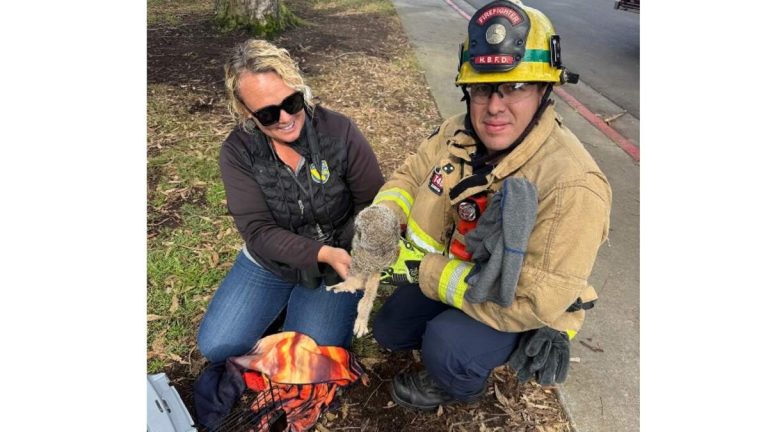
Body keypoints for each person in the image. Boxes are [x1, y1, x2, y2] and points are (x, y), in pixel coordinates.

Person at [370, 0, 612, 410]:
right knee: (390, 329)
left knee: (449, 347)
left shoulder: (573, 184)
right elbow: (410, 175)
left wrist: (427, 271)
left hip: (520, 304)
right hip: (458, 274)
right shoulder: (457, 132)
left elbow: (532, 301)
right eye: (482, 88)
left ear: (544, 90)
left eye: (516, 87)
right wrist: (381, 216)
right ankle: (451, 342)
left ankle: (458, 385)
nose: (495, 106)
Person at [197, 39, 385, 364]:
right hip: (271, 262)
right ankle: (280, 302)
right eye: (268, 114)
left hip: (338, 259)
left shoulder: (339, 131)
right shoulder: (237, 152)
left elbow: (372, 202)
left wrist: (351, 253)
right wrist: (319, 252)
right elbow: (258, 231)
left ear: (300, 89)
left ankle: (296, 309)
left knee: (311, 355)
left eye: (292, 102)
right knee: (216, 346)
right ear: (247, 113)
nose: (285, 118)